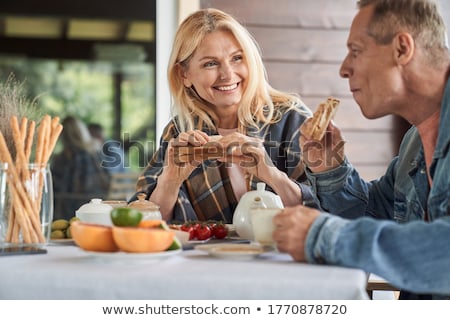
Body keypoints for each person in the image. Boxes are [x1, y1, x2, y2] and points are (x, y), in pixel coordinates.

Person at [273, 0, 450, 299]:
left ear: (402, 49)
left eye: (355, 51)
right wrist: (331, 171)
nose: (344, 69)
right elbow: (374, 217)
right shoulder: (414, 143)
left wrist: (325, 236)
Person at [135, 8, 314, 223]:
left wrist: (271, 175)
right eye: (210, 63)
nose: (227, 74)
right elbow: (143, 221)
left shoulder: (292, 118)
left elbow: (327, 210)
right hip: (209, 256)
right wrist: (169, 182)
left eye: (237, 58)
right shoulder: (180, 132)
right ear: (184, 75)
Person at [51, 116, 111, 220]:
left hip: (66, 212)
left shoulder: (62, 158)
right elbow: (107, 180)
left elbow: (54, 186)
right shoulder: (96, 154)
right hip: (97, 207)